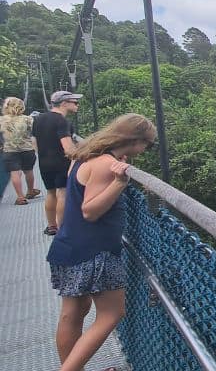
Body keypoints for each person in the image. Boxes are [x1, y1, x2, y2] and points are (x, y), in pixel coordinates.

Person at [47, 113, 155, 371]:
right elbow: (90, 210)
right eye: (146, 145)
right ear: (135, 140)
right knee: (112, 313)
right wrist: (119, 183)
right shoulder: (106, 165)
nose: (144, 151)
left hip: (68, 245)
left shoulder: (83, 156)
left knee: (72, 313)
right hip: (95, 252)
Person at [32, 91, 81, 235]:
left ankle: (52, 226)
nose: (77, 105)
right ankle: (62, 228)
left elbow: (34, 141)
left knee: (51, 193)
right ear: (64, 103)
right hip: (61, 162)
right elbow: (68, 147)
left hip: (44, 162)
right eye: (74, 102)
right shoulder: (62, 121)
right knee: (63, 194)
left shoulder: (39, 119)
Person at [2, 97, 41, 205]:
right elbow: (34, 132)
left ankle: (20, 197)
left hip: (9, 150)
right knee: (28, 170)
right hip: (27, 149)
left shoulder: (2, 120)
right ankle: (30, 191)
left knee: (15, 173)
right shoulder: (28, 119)